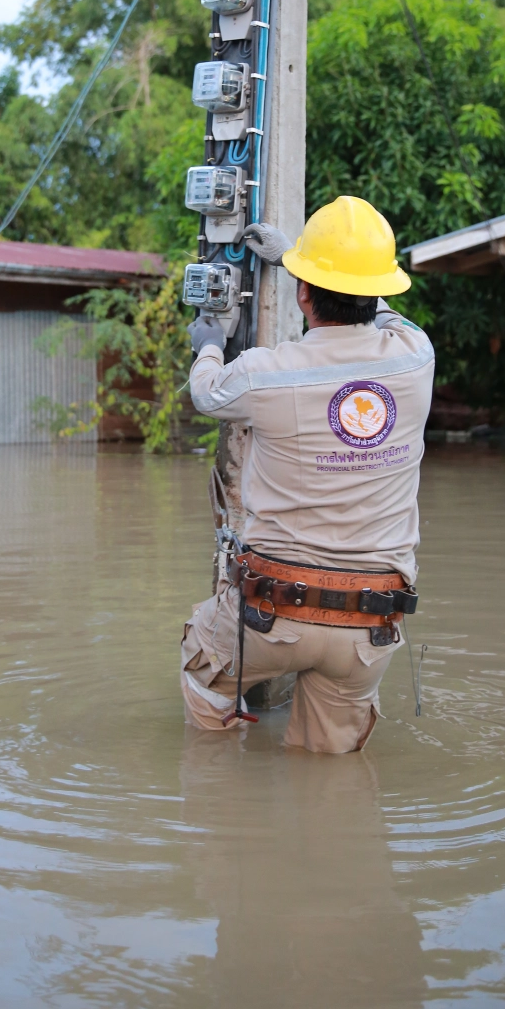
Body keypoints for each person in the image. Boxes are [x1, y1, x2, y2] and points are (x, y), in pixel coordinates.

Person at [181, 195, 434, 754]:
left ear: (303, 293)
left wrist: (209, 345)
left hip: (273, 615)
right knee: (329, 766)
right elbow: (387, 314)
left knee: (202, 670)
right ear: (379, 288)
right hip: (371, 621)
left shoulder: (264, 374)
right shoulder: (417, 357)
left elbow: (206, 393)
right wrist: (294, 258)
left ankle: (216, 781)